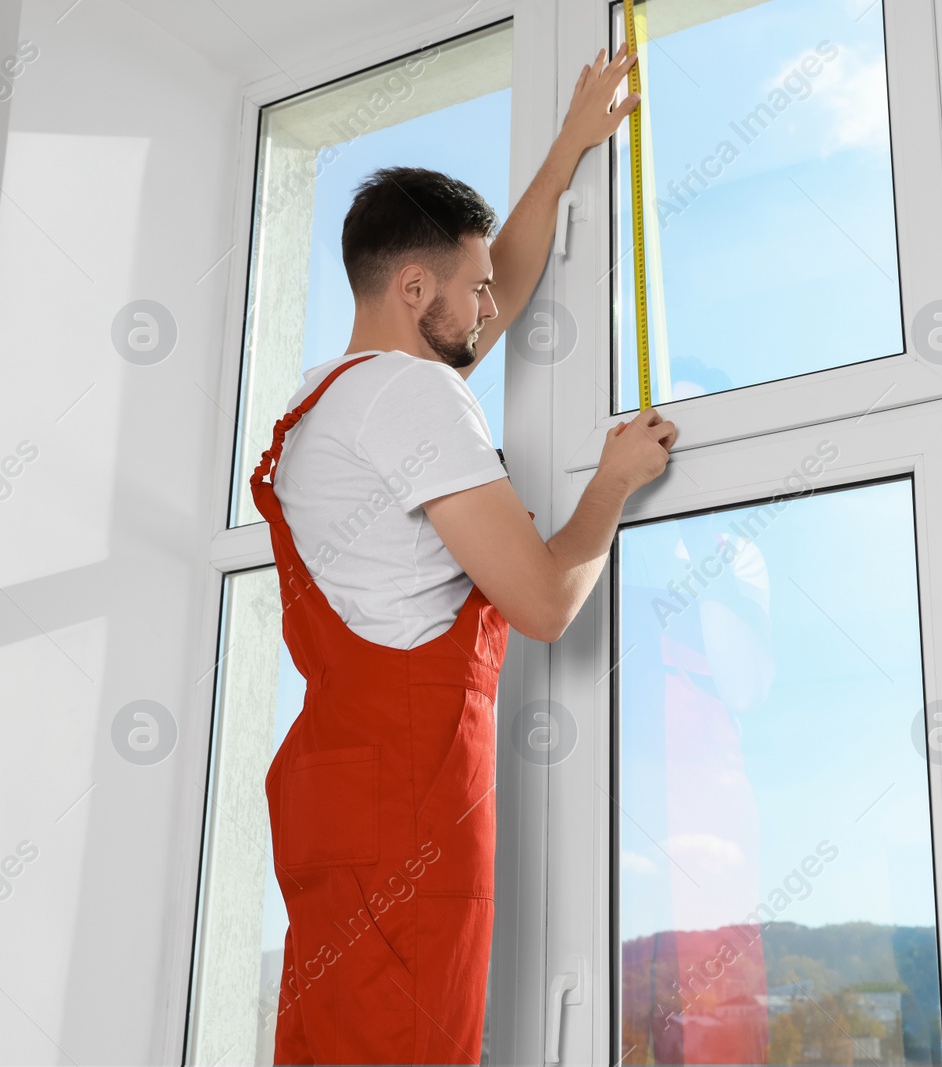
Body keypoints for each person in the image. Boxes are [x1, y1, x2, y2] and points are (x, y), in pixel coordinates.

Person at [248, 42, 677, 1064]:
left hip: (334, 789)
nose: (491, 309)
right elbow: (539, 602)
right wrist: (612, 481)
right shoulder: (411, 397)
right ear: (411, 287)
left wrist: (570, 146)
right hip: (407, 796)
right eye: (470, 289)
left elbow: (505, 279)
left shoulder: (327, 399)